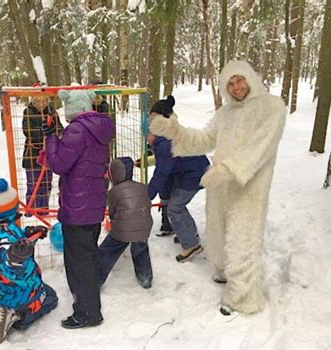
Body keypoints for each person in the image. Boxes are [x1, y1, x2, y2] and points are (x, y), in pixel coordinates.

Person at [150, 60, 287, 315]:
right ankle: (224, 272)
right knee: (218, 232)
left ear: (250, 78)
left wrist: (228, 169)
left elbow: (261, 147)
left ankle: (244, 298)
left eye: (240, 80)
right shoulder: (225, 113)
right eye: (230, 83)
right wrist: (175, 131)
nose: (236, 87)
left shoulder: (272, 107)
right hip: (219, 184)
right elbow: (203, 139)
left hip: (249, 186)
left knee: (242, 239)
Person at [45, 90, 114, 329]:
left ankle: (87, 313)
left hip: (77, 207)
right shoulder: (100, 130)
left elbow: (58, 164)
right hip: (92, 206)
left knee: (78, 262)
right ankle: (89, 303)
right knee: (88, 256)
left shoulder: (76, 130)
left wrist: (51, 138)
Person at [0, 179, 58, 344]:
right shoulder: (4, 236)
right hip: (22, 291)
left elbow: (10, 245)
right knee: (49, 296)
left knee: (11, 298)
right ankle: (17, 315)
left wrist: (29, 234)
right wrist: (15, 257)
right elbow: (8, 257)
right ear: (12, 208)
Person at [148, 95, 210, 263]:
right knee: (177, 205)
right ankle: (189, 234)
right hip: (189, 171)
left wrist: (147, 196)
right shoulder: (168, 133)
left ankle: (191, 245)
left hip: (194, 175)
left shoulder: (166, 141)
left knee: (175, 208)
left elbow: (162, 172)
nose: (149, 121)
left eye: (153, 117)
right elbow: (169, 161)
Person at [98, 157, 153, 289]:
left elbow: (112, 213)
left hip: (122, 228)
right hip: (144, 227)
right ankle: (145, 277)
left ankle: (96, 279)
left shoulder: (114, 192)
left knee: (108, 251)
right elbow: (147, 205)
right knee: (141, 248)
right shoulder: (142, 187)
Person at [22, 96, 63, 214]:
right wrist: (45, 131)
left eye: (44, 101)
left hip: (49, 152)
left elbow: (59, 128)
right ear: (33, 102)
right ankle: (31, 210)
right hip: (33, 154)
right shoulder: (28, 112)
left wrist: (55, 133)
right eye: (38, 101)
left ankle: (43, 210)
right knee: (33, 183)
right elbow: (27, 131)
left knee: (46, 183)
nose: (41, 104)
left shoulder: (52, 112)